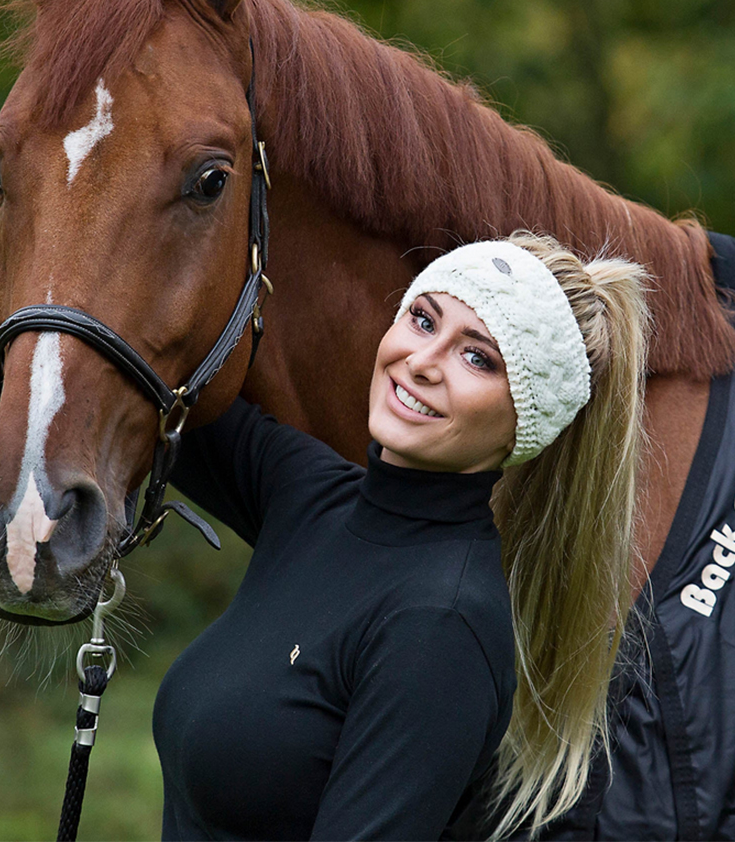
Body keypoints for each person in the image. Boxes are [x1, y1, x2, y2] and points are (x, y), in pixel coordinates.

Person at [152, 231, 649, 841]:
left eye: (477, 357)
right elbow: (153, 380)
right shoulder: (309, 496)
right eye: (422, 319)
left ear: (527, 420)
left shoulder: (441, 623)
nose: (421, 361)